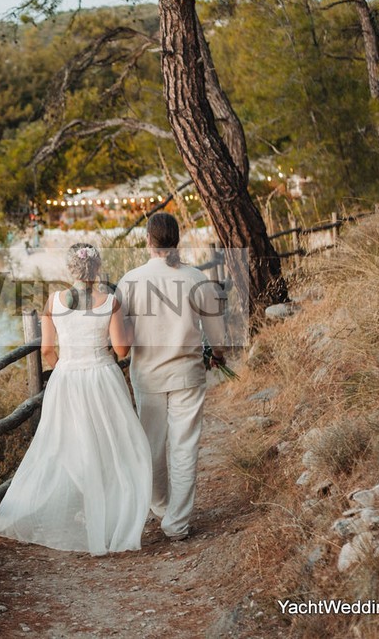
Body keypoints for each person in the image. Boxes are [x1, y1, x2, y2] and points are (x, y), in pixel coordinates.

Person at [0, 243, 152, 554]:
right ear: (97, 268)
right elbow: (121, 350)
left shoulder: (54, 301)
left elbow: (47, 349)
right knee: (111, 444)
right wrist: (128, 329)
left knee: (69, 444)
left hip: (66, 379)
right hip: (102, 377)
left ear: (70, 269)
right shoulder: (111, 302)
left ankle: (89, 507)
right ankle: (107, 512)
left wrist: (63, 367)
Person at [117, 212, 226, 541]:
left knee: (151, 447)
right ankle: (177, 522)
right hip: (187, 375)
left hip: (147, 376)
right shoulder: (196, 278)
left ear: (148, 240)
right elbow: (218, 337)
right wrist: (217, 355)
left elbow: (121, 337)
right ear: (177, 240)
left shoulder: (130, 281)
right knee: (184, 447)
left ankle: (162, 506)